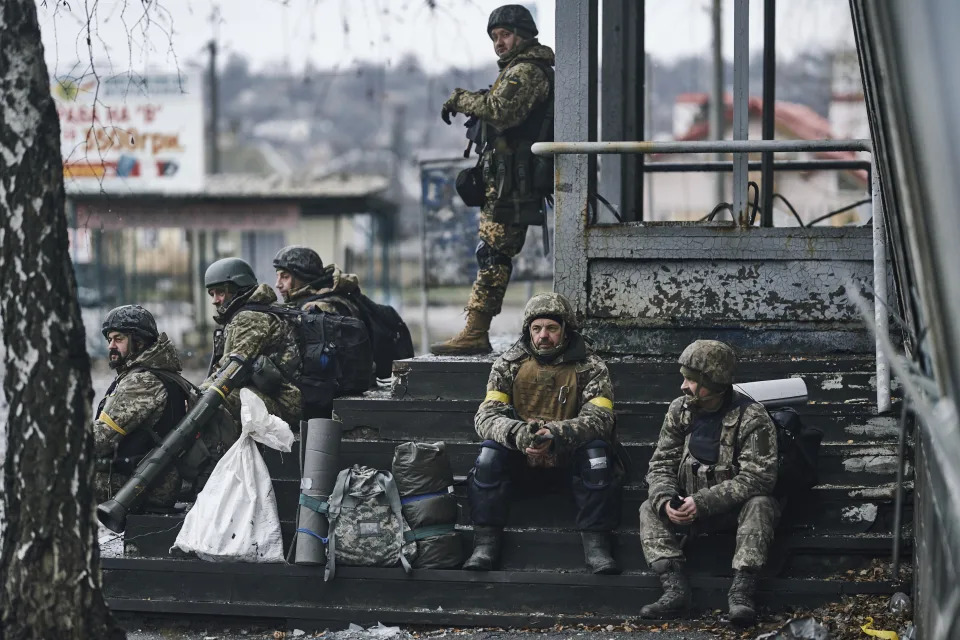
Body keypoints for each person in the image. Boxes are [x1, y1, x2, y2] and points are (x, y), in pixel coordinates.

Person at [463, 292, 621, 574]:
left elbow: (601, 418)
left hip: (570, 458)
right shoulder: (508, 364)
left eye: (551, 328)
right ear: (528, 331)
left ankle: (597, 545)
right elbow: (486, 416)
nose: (543, 336)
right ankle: (485, 543)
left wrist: (556, 435)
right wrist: (519, 434)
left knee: (598, 455)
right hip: (521, 459)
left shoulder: (591, 366)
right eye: (537, 329)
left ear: (565, 330)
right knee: (488, 456)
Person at [430, 4, 555, 356]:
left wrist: (460, 99)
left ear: (524, 35)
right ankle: (475, 328)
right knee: (493, 253)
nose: (499, 43)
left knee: (494, 255)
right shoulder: (519, 69)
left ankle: (475, 330)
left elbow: (501, 110)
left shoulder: (527, 71)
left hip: (514, 184)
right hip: (506, 180)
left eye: (505, 35)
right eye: (495, 37)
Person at [638, 340, 780, 626]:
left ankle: (742, 592)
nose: (683, 386)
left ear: (713, 381)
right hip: (688, 509)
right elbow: (661, 463)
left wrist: (702, 502)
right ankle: (675, 589)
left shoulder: (752, 416)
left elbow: (759, 476)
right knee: (648, 507)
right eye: (684, 378)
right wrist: (667, 502)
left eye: (691, 380)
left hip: (732, 512)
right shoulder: (680, 410)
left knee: (761, 504)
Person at [93, 305, 237, 509]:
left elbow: (99, 440)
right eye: (109, 340)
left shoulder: (143, 383)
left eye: (118, 339)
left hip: (148, 484)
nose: (111, 346)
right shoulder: (160, 373)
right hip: (152, 477)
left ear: (138, 341)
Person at [201, 257, 302, 428]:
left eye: (220, 292)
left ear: (237, 289)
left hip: (283, 404)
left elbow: (230, 369)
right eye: (212, 294)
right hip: (267, 395)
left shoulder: (251, 318)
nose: (215, 300)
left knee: (206, 402)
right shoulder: (245, 314)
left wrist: (198, 393)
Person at [273, 245, 363, 318]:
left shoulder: (318, 308)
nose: (278, 284)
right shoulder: (327, 296)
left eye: (285, 277)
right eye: (277, 277)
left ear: (303, 276)